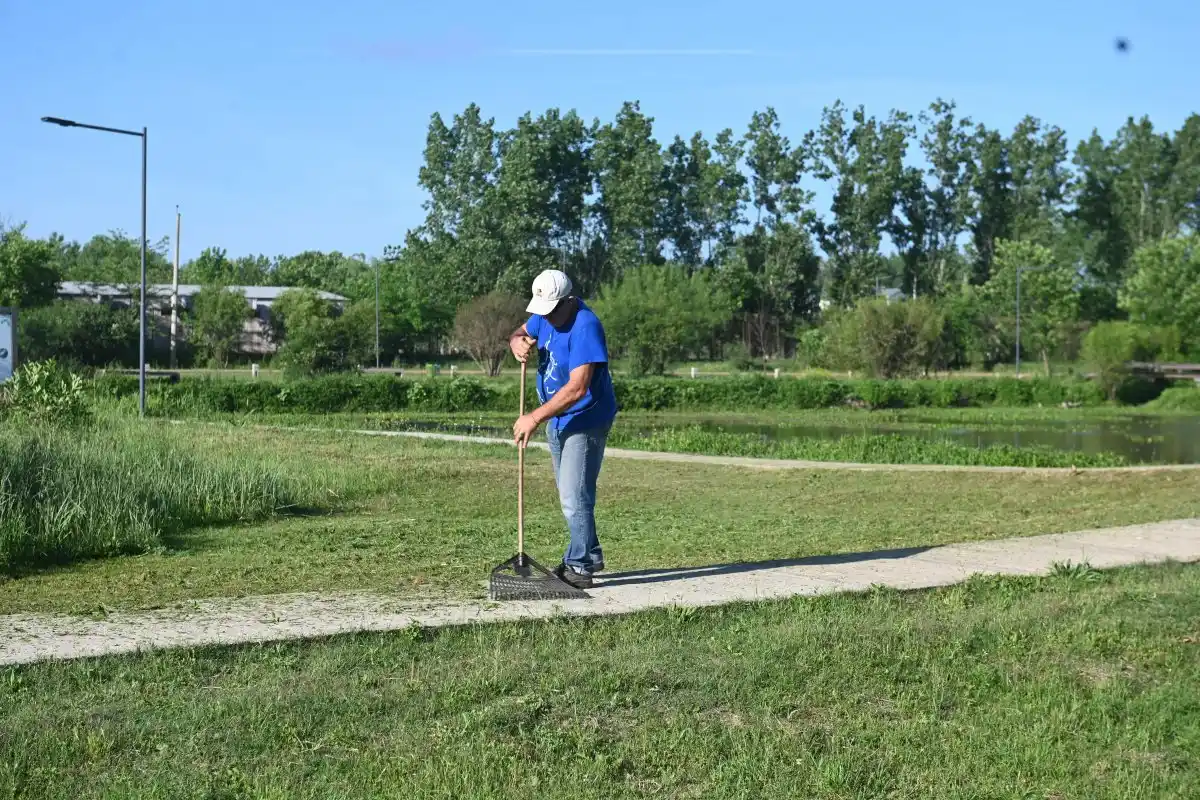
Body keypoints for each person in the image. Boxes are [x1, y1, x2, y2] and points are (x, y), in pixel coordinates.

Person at [509, 269, 618, 589]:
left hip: (586, 418)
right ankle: (590, 554)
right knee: (572, 492)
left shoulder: (586, 326)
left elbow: (578, 388)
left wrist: (533, 417)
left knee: (573, 493)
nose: (547, 318)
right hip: (557, 418)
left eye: (553, 310)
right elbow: (519, 332)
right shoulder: (545, 316)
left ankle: (580, 566)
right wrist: (517, 343)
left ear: (569, 300)